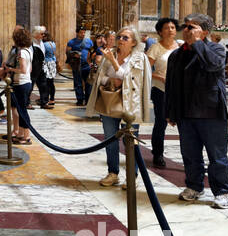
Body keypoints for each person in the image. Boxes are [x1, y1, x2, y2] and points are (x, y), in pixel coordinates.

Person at [165, 13, 228, 208]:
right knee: (190, 154)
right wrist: (170, 110)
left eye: (191, 27)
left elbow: (213, 65)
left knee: (217, 155)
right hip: (186, 112)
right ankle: (194, 186)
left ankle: (222, 191)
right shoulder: (177, 55)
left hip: (211, 111)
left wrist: (197, 43)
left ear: (204, 32)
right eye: (185, 27)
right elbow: (171, 84)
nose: (186, 30)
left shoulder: (216, 49)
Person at [85, 27, 151, 187]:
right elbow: (98, 78)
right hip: (110, 101)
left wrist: (115, 65)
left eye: (125, 38)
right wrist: (109, 81)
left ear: (134, 42)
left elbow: (135, 81)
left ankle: (132, 176)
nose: (121, 39)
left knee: (130, 140)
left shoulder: (140, 59)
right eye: (120, 36)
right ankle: (113, 173)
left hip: (131, 104)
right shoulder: (109, 55)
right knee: (110, 139)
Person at [146, 18, 180, 168]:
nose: (170, 30)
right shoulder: (155, 48)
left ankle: (189, 155)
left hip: (179, 90)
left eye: (173, 27)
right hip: (160, 89)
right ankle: (158, 153)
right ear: (160, 31)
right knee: (161, 122)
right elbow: (145, 70)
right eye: (167, 28)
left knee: (183, 123)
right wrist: (160, 77)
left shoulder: (181, 47)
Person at [0, 26, 35, 145]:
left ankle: (27, 136)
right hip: (26, 82)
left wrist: (11, 69)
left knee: (22, 111)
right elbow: (29, 70)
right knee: (20, 110)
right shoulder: (29, 51)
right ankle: (20, 134)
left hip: (21, 83)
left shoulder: (21, 53)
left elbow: (24, 70)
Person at [67, 28, 94, 106]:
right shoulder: (71, 42)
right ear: (77, 33)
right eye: (81, 33)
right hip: (77, 65)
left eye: (84, 33)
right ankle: (79, 100)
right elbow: (67, 52)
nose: (83, 34)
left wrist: (91, 62)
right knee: (78, 83)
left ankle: (88, 100)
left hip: (87, 65)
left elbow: (92, 52)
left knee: (88, 83)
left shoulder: (89, 41)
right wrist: (73, 54)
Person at [32, 25, 56, 109]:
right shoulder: (32, 43)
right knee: (31, 85)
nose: (43, 36)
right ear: (36, 34)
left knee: (43, 85)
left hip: (42, 66)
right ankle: (27, 103)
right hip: (34, 67)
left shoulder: (41, 42)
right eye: (41, 34)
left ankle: (44, 102)